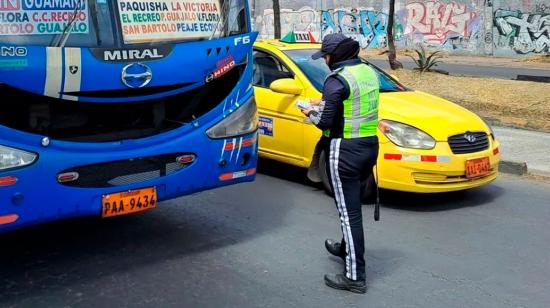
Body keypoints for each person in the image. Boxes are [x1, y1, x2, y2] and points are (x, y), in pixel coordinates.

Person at [301, 33, 380, 294]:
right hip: (368, 146)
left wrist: (309, 111)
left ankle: (355, 277)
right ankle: (346, 249)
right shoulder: (367, 72)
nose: (324, 60)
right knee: (351, 208)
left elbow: (324, 121)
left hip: (343, 150)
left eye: (325, 55)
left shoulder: (337, 79)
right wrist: (323, 104)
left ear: (335, 56)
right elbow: (350, 104)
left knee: (349, 214)